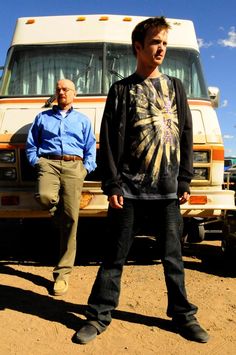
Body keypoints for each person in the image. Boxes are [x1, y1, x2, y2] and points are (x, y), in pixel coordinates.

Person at [74, 17, 209, 344]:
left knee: (173, 258)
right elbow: (107, 140)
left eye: (164, 43)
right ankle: (99, 315)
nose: (161, 48)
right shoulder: (121, 89)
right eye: (155, 42)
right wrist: (113, 184)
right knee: (113, 257)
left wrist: (185, 179)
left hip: (167, 192)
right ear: (138, 47)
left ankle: (183, 315)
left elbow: (187, 135)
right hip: (129, 191)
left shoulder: (176, 87)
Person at [26, 79, 96, 296]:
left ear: (74, 94)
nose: (61, 92)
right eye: (58, 89)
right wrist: (36, 161)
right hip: (48, 163)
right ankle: (60, 216)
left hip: (74, 166)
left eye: (66, 89)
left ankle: (62, 274)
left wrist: (85, 168)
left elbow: (90, 147)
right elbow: (31, 144)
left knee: (72, 220)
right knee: (45, 197)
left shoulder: (83, 120)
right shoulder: (42, 117)